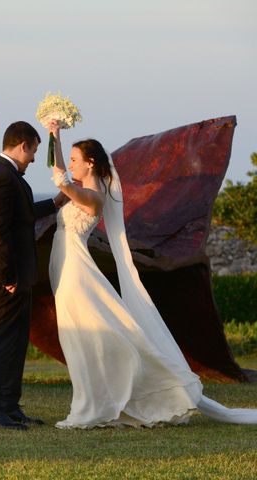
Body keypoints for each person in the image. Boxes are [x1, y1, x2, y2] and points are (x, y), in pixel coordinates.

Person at [47, 120, 257, 428]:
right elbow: (61, 172)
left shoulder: (94, 196)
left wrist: (61, 172)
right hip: (64, 269)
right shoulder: (78, 188)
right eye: (72, 161)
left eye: (77, 160)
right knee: (76, 336)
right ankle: (95, 399)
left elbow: (63, 181)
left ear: (90, 163)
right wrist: (54, 135)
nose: (72, 165)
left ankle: (107, 399)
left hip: (77, 272)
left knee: (96, 334)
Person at [0, 121, 60, 430]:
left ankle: (10, 405)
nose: (35, 158)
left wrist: (56, 202)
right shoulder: (0, 177)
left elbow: (22, 214)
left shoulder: (8, 175)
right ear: (23, 145)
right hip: (7, 275)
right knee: (3, 339)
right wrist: (9, 274)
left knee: (16, 340)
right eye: (35, 151)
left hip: (18, 274)